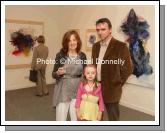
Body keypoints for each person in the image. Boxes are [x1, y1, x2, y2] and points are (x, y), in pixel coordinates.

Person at [92, 18, 133, 121]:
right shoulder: (95, 46)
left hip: (112, 89)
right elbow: (94, 65)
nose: (100, 32)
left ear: (110, 30)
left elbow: (127, 69)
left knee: (113, 118)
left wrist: (117, 82)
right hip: (97, 87)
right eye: (98, 30)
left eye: (103, 29)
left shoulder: (121, 46)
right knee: (97, 116)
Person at [52, 30, 87, 121]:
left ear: (78, 41)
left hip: (78, 89)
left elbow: (85, 73)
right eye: (69, 40)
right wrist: (58, 73)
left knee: (76, 117)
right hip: (63, 89)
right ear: (66, 43)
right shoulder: (60, 55)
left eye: (74, 40)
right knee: (61, 118)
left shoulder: (82, 56)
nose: (72, 43)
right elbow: (53, 74)